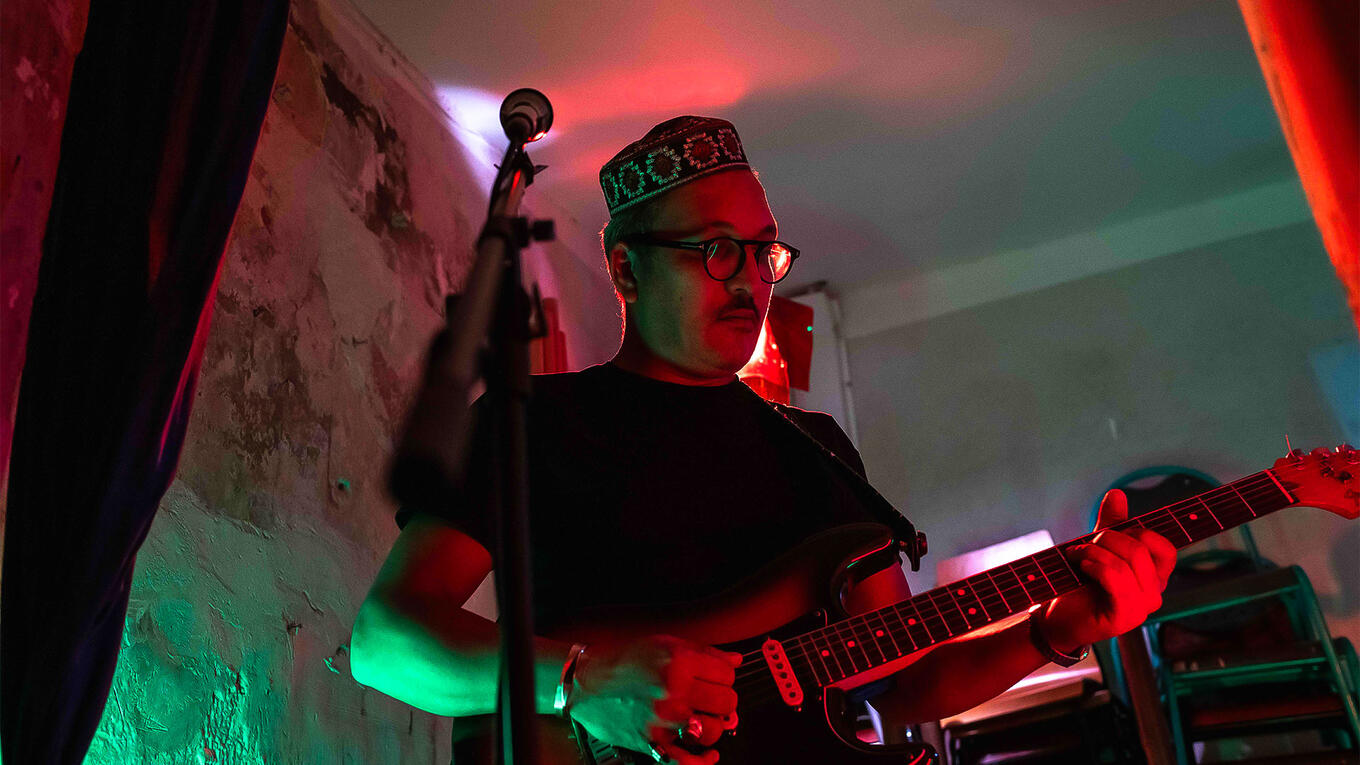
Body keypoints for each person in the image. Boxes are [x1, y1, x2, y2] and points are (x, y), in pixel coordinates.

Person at [350, 117, 1176, 764]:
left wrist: (1054, 630)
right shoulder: (534, 421)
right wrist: (576, 681)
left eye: (760, 252)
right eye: (713, 250)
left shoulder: (816, 445)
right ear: (626, 268)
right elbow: (385, 642)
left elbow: (899, 682)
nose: (748, 277)